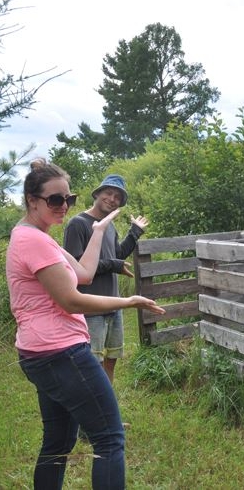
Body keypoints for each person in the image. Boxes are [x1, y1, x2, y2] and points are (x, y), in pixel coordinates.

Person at [5, 158, 165, 490]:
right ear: (32, 200)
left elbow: (83, 274)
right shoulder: (33, 240)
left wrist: (99, 230)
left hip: (40, 352)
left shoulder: (36, 235)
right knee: (109, 438)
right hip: (60, 352)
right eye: (54, 200)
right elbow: (72, 299)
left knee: (58, 443)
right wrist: (129, 300)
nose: (63, 206)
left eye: (68, 199)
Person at [63, 174, 147, 386]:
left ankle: (108, 417)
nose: (112, 199)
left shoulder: (109, 226)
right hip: (91, 310)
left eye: (118, 197)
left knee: (111, 361)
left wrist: (135, 232)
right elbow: (76, 268)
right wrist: (112, 265)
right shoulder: (78, 224)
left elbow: (117, 256)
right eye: (108, 193)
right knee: (93, 367)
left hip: (113, 305)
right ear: (97, 194)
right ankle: (95, 417)